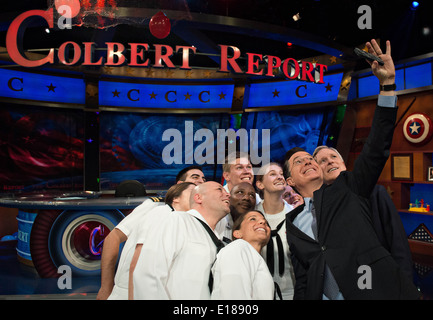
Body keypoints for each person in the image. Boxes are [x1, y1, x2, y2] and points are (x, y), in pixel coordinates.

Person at [283, 40, 420, 300]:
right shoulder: (292, 224)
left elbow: (377, 145)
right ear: (290, 181)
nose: (309, 162)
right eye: (299, 161)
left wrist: (388, 85)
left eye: (310, 159)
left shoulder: (349, 188)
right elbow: (304, 277)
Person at [96, 165, 205, 299]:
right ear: (179, 186)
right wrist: (106, 288)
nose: (201, 181)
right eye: (195, 177)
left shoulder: (195, 219)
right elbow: (113, 238)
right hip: (129, 291)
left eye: (203, 178)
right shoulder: (156, 207)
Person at [313, 145, 413, 278]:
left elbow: (397, 242)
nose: (330, 161)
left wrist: (406, 283)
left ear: (343, 163)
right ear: (318, 172)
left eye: (333, 157)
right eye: (323, 161)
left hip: (385, 279)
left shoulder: (376, 193)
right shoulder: (319, 208)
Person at [133, 181, 230, 299]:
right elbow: (148, 274)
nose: (228, 194)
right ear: (198, 198)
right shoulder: (177, 220)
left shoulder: (217, 239)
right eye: (219, 189)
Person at [211, 210, 274, 300]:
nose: (263, 222)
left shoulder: (251, 255)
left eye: (266, 223)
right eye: (252, 219)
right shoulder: (238, 247)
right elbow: (234, 295)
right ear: (237, 233)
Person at [255, 162, 295, 299]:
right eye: (272, 174)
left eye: (281, 174)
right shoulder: (251, 218)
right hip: (257, 292)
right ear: (260, 184)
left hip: (292, 292)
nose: (279, 177)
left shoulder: (296, 216)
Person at [216, 151, 261, 240]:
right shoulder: (215, 199)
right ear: (227, 175)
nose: (247, 171)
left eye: (249, 167)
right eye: (239, 167)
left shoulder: (260, 201)